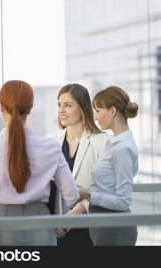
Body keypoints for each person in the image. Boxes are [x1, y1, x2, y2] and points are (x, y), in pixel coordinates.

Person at [0, 80, 80, 245]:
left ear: (1, 107)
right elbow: (71, 195)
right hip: (41, 224)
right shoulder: (50, 147)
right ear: (31, 107)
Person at [78, 86, 139, 246]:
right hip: (104, 225)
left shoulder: (122, 149)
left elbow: (123, 201)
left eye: (98, 111)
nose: (96, 117)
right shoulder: (112, 144)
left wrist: (89, 195)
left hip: (114, 228)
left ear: (112, 111)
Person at [53, 83, 107, 246]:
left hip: (89, 228)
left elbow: (106, 187)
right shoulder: (52, 142)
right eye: (59, 105)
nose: (61, 110)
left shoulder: (102, 142)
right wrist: (55, 218)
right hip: (57, 228)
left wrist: (78, 211)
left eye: (68, 105)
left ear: (83, 108)